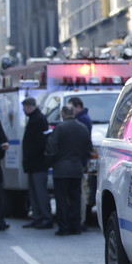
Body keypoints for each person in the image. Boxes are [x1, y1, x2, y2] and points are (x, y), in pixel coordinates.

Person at [45, 104, 92, 236]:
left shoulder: (59, 128)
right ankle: (75, 226)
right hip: (76, 169)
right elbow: (88, 149)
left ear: (63, 114)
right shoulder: (82, 128)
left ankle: (63, 227)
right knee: (75, 199)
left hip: (61, 170)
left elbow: (51, 148)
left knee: (62, 200)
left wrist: (50, 162)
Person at [21, 97, 54, 229]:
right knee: (34, 193)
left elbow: (40, 142)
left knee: (40, 193)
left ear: (30, 106)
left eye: (25, 107)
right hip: (33, 164)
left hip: (38, 164)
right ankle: (38, 217)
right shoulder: (35, 119)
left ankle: (45, 217)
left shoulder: (38, 119)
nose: (24, 109)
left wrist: (32, 155)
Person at [69, 96, 93, 228]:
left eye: (72, 107)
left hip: (79, 162)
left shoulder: (83, 120)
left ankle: (80, 219)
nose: (72, 111)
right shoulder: (83, 119)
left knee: (81, 192)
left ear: (78, 106)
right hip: (79, 161)